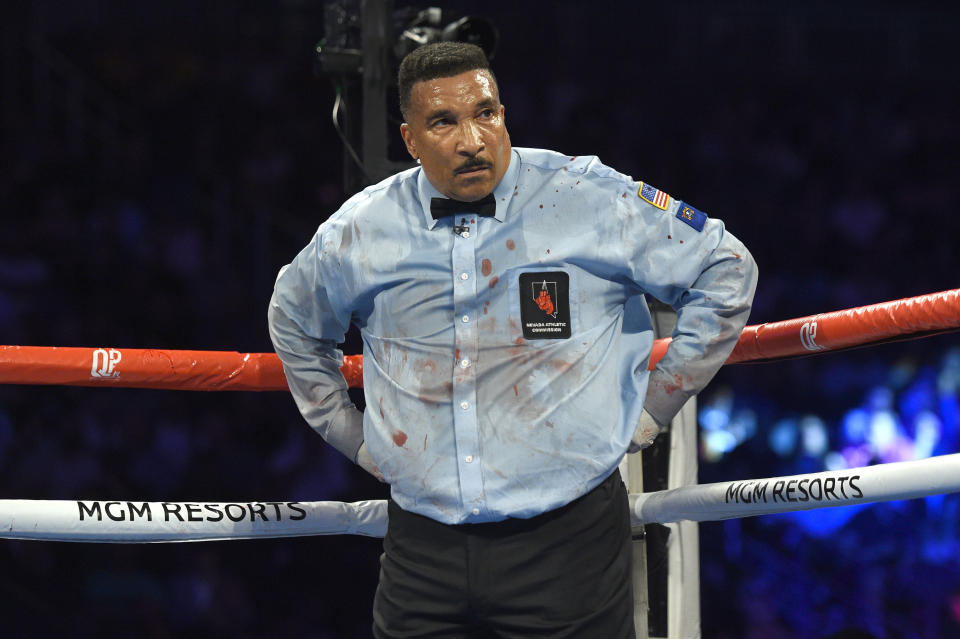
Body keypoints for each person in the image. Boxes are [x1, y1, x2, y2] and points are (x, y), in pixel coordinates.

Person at [269, 42, 757, 638]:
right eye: (443, 122)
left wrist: (654, 410)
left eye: (486, 113)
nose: (472, 139)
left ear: (504, 114)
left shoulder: (585, 195)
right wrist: (356, 440)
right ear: (410, 140)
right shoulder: (362, 228)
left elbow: (726, 268)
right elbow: (293, 320)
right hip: (422, 549)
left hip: (568, 542)